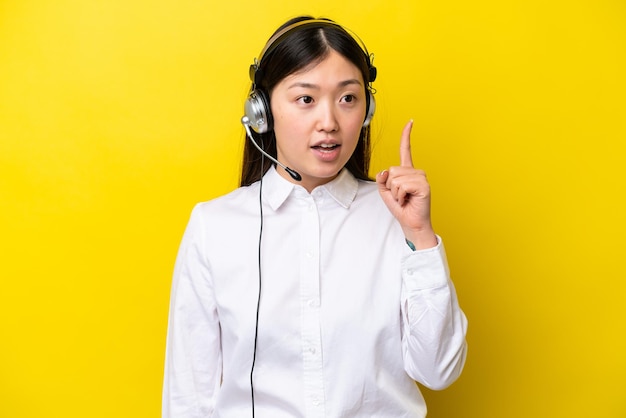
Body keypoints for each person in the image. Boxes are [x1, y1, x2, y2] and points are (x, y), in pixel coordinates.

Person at [163, 16, 468, 418]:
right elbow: (189, 397)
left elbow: (439, 370)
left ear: (367, 108)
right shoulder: (213, 227)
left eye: (347, 99)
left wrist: (421, 236)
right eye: (306, 99)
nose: (330, 122)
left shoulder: (397, 219)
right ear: (262, 111)